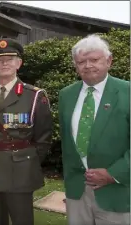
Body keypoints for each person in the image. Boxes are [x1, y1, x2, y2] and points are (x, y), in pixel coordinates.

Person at [0, 38, 53, 225]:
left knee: (22, 221)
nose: (4, 63)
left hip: (20, 171)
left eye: (9, 59)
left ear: (18, 63)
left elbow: (44, 138)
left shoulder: (34, 95)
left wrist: (27, 162)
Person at [58, 34, 130, 225]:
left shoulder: (127, 92)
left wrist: (112, 174)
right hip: (77, 191)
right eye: (82, 61)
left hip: (116, 190)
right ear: (76, 65)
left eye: (94, 59)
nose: (88, 65)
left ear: (109, 60)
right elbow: (67, 142)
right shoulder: (66, 95)